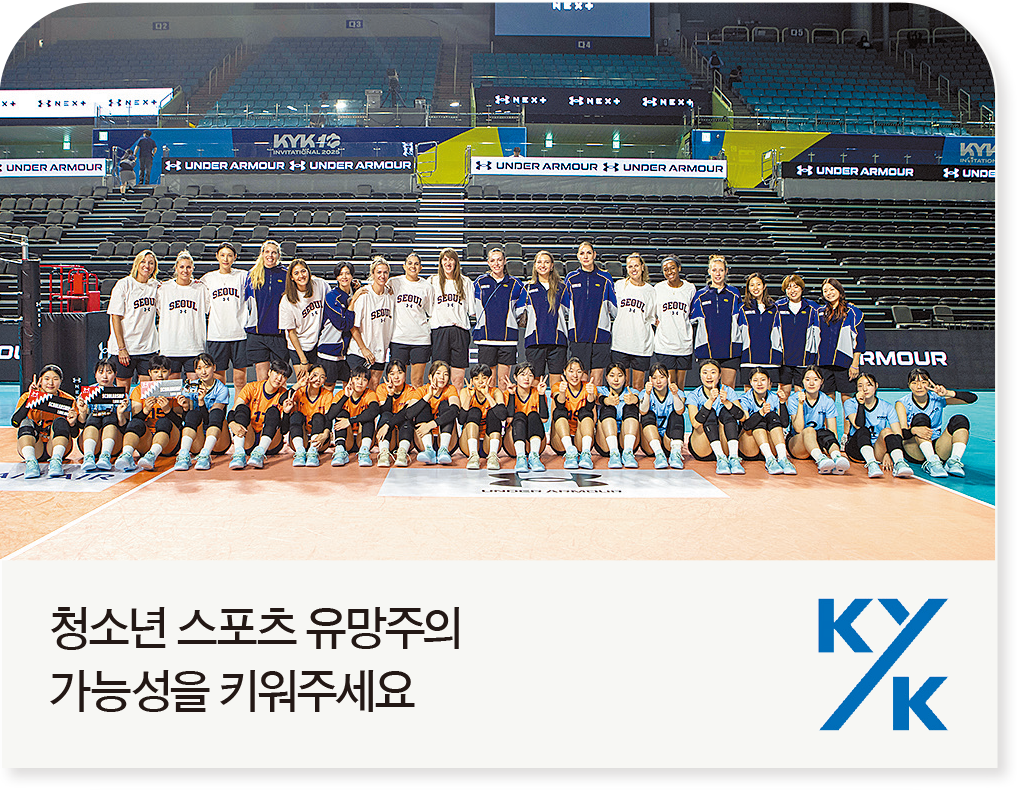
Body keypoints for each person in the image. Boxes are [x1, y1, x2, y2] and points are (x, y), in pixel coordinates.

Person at [894, 367, 977, 478]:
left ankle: (953, 461)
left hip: (937, 446)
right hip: (915, 449)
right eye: (914, 383)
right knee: (921, 418)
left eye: (923, 382)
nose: (919, 386)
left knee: (960, 420)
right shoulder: (902, 403)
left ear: (929, 384)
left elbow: (972, 398)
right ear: (909, 385)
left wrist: (947, 393)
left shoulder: (937, 398)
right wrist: (913, 430)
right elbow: (902, 433)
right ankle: (931, 462)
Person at [815, 276, 865, 442]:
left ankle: (846, 435)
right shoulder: (820, 312)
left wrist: (855, 364)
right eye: (825, 291)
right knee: (828, 400)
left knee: (847, 400)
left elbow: (859, 340)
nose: (829, 293)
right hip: (824, 362)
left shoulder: (853, 312)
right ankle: (831, 435)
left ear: (839, 290)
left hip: (845, 363)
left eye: (832, 289)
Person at [561, 241, 618, 386]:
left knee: (596, 379)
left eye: (588, 253)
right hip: (578, 335)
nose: (585, 256)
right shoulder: (571, 278)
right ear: (578, 256)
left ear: (594, 255)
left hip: (600, 335)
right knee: (581, 378)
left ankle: (595, 402)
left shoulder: (605, 278)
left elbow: (614, 308)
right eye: (582, 253)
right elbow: (564, 307)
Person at [115, 355, 184, 472]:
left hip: (169, 441)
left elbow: (179, 423)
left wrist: (168, 410)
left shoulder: (175, 390)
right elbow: (136, 419)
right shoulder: (139, 390)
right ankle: (127, 455)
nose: (160, 375)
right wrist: (146, 410)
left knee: (163, 422)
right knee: (135, 423)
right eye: (156, 372)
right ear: (150, 373)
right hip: (147, 439)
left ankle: (152, 455)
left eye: (164, 371)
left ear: (169, 372)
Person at [12, 364, 80, 479]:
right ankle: (31, 463)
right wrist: (31, 399)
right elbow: (15, 422)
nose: (50, 383)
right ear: (40, 380)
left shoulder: (68, 400)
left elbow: (74, 434)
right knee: (26, 423)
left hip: (56, 446)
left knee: (60, 421)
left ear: (61, 381)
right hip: (35, 446)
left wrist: (72, 423)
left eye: (55, 379)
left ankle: (56, 462)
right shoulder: (27, 396)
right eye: (47, 379)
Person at [226, 358, 294, 470]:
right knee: (241, 408)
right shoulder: (252, 387)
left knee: (273, 411)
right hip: (250, 437)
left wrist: (286, 413)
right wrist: (232, 423)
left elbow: (284, 430)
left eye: (284, 376)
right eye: (277, 373)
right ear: (269, 372)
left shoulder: (284, 396)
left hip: (271, 443)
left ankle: (260, 453)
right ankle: (239, 454)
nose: (279, 378)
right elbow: (234, 410)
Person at [106, 248, 159, 389]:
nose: (147, 266)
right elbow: (115, 318)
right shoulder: (124, 284)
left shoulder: (156, 286)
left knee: (148, 392)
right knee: (123, 390)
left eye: (151, 263)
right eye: (143, 262)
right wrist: (121, 348)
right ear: (137, 263)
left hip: (147, 348)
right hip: (126, 348)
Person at [690, 254, 744, 390]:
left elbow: (741, 320)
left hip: (731, 350)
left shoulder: (734, 293)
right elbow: (690, 319)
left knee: (728, 390)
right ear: (709, 271)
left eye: (721, 270)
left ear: (726, 271)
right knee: (710, 390)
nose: (718, 274)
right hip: (707, 350)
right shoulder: (700, 295)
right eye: (714, 270)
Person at [515, 249, 568, 390]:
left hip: (557, 341)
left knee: (556, 385)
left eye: (546, 262)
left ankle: (555, 406)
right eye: (539, 262)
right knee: (534, 383)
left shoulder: (562, 288)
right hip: (534, 341)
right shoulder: (527, 288)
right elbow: (518, 312)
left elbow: (570, 310)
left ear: (552, 266)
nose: (542, 265)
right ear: (535, 266)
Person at [844, 371, 913, 479]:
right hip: (856, 449)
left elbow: (898, 434)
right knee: (863, 430)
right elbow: (858, 425)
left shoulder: (887, 406)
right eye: (860, 386)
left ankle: (899, 463)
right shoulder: (850, 403)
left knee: (887, 431)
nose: (865, 389)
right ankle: (871, 464)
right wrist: (861, 404)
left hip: (876, 448)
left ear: (876, 386)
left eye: (869, 385)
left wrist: (888, 453)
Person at [474, 246, 525, 390]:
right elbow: (473, 309)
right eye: (492, 260)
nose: (496, 263)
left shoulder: (516, 284)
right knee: (488, 382)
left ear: (505, 261)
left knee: (504, 382)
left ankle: (503, 405)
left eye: (499, 260)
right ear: (488, 263)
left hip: (507, 339)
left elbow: (520, 310)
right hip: (486, 338)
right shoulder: (479, 282)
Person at [201, 241, 249, 393]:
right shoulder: (208, 278)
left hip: (239, 334)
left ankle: (238, 407)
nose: (225, 259)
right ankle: (220, 407)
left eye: (229, 255)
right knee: (218, 380)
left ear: (235, 257)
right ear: (217, 256)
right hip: (217, 334)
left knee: (240, 380)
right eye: (222, 255)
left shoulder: (243, 276)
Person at [786, 365, 850, 475]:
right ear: (802, 382)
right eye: (807, 379)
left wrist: (831, 448)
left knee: (826, 433)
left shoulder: (827, 401)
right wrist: (800, 404)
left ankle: (837, 458)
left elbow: (832, 431)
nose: (811, 383)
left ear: (821, 382)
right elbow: (798, 429)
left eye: (815, 380)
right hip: (797, 443)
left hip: (817, 441)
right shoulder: (794, 399)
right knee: (809, 430)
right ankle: (821, 459)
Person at [685, 358, 745, 475]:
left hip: (724, 442)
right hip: (703, 447)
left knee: (726, 411)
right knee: (709, 412)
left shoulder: (728, 391)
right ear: (700, 375)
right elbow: (695, 424)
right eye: (705, 372)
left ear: (719, 375)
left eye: (713, 372)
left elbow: (742, 417)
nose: (709, 376)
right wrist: (710, 401)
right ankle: (720, 458)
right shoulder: (694, 395)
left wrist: (727, 402)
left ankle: (734, 458)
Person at [175, 353, 231, 471]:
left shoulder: (222, 389)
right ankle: (184, 455)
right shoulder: (190, 387)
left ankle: (205, 454)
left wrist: (201, 403)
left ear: (214, 367)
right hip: (198, 438)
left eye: (207, 367)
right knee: (192, 414)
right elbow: (187, 419)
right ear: (195, 370)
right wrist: (185, 408)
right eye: (199, 368)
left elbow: (211, 419)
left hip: (218, 438)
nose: (203, 372)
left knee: (216, 412)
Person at [429, 247, 476, 390]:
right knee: (439, 378)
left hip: (459, 331)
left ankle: (457, 404)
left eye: (451, 259)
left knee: (458, 379)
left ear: (456, 262)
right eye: (445, 259)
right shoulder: (432, 281)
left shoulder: (465, 282)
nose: (448, 263)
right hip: (439, 331)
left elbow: (472, 311)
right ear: (440, 262)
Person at [157, 250, 208, 381]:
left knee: (195, 385)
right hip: (171, 346)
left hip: (194, 345)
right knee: (172, 386)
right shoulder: (164, 289)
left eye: (188, 267)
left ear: (193, 268)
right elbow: (158, 310)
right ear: (176, 268)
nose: (185, 270)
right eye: (181, 267)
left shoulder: (201, 288)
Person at [243, 239, 289, 382]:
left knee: (280, 378)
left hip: (279, 334)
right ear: (262, 253)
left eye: (274, 252)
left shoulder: (286, 274)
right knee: (262, 379)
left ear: (278, 255)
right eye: (267, 252)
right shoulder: (252, 274)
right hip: (258, 334)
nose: (270, 255)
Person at [348, 256, 396, 390]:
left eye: (385, 272)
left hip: (379, 351)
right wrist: (364, 349)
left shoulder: (390, 295)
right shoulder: (364, 295)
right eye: (379, 272)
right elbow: (353, 327)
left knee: (374, 386)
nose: (382, 275)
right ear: (372, 274)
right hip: (360, 351)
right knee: (357, 387)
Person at [736, 367, 795, 475]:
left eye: (763, 380)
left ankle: (782, 458)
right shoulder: (745, 398)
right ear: (750, 382)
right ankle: (770, 460)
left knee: (772, 415)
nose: (759, 383)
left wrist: (782, 403)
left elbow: (784, 423)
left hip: (770, 445)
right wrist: (760, 413)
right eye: (755, 380)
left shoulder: (774, 397)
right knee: (759, 421)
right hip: (750, 446)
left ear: (769, 381)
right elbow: (746, 425)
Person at [611, 252, 656, 390]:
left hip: (641, 343)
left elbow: (651, 316)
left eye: (636, 265)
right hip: (621, 342)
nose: (633, 269)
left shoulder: (650, 290)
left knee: (638, 385)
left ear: (642, 267)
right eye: (630, 266)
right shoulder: (619, 285)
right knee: (621, 384)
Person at [278, 258, 329, 380]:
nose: (301, 275)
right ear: (291, 277)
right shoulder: (287, 300)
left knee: (316, 382)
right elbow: (291, 332)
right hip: (298, 346)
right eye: (296, 273)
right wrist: (303, 360)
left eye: (303, 271)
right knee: (303, 382)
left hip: (317, 343)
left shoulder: (320, 285)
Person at [388, 252, 434, 387]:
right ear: (404, 266)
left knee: (417, 381)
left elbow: (430, 311)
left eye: (416, 264)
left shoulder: (427, 287)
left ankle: (417, 402)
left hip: (420, 339)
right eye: (410, 263)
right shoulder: (394, 282)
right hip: (399, 338)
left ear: (421, 268)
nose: (413, 266)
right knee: (397, 380)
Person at [77, 359, 130, 473]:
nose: (105, 376)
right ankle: (88, 457)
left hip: (114, 443)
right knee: (94, 417)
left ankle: (105, 456)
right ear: (95, 375)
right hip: (90, 440)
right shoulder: (87, 393)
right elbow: (81, 425)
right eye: (101, 372)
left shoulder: (122, 395)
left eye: (109, 372)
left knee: (109, 417)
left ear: (115, 374)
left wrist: (120, 414)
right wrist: (82, 412)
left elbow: (125, 428)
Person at [652, 255, 696, 391]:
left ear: (679, 268)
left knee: (680, 386)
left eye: (672, 268)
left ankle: (680, 405)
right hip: (665, 343)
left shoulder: (690, 288)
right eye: (665, 269)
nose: (669, 272)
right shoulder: (658, 288)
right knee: (670, 384)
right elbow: (652, 311)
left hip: (684, 342)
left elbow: (692, 313)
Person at [774, 273, 821, 400]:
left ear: (801, 288)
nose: (792, 290)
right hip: (784, 360)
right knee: (783, 394)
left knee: (801, 395)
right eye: (788, 287)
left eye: (795, 286)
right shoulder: (778, 307)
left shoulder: (813, 308)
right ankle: (784, 414)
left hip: (804, 359)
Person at [374, 359, 425, 468]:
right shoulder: (381, 388)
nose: (396, 377)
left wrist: (388, 425)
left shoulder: (411, 391)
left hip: (405, 434)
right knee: (386, 415)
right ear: (387, 376)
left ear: (405, 374)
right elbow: (384, 411)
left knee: (406, 419)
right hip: (389, 436)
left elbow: (406, 413)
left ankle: (402, 453)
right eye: (392, 373)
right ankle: (384, 453)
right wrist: (390, 395)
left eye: (400, 372)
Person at [550, 356, 598, 470]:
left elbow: (593, 416)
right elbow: (556, 410)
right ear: (565, 372)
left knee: (586, 412)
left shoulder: (589, 387)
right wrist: (562, 392)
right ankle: (570, 452)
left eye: (579, 371)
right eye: (571, 371)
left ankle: (585, 453)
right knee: (560, 411)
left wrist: (591, 395)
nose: (575, 375)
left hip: (580, 436)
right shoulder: (558, 386)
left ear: (583, 373)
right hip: (561, 439)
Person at [329, 365, 381, 467]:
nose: (360, 382)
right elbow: (330, 415)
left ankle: (364, 452)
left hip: (363, 438)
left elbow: (374, 411)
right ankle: (340, 451)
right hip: (346, 438)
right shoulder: (341, 394)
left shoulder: (369, 394)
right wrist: (345, 396)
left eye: (364, 380)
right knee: (342, 414)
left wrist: (350, 421)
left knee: (367, 415)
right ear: (351, 380)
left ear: (368, 383)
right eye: (357, 378)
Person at [411, 359, 461, 466]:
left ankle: (443, 449)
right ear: (430, 376)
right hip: (423, 439)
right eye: (438, 373)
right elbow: (409, 413)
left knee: (446, 406)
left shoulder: (450, 389)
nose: (442, 377)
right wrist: (428, 396)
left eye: (445, 374)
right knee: (422, 406)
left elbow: (455, 410)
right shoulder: (422, 390)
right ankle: (428, 449)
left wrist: (431, 425)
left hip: (446, 440)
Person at [458, 363, 507, 471]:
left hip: (488, 441)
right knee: (474, 411)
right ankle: (473, 455)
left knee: (493, 412)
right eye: (476, 379)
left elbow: (502, 416)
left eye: (484, 378)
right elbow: (461, 420)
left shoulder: (496, 392)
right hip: (468, 443)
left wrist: (487, 395)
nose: (480, 381)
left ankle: (493, 456)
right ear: (472, 381)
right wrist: (469, 397)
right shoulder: (465, 392)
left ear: (489, 379)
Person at [317, 261, 358, 390]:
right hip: (329, 349)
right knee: (329, 386)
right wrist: (351, 305)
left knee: (349, 385)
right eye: (341, 274)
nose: (344, 277)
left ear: (352, 276)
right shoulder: (331, 297)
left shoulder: (354, 292)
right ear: (336, 277)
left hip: (347, 351)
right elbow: (342, 324)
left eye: (347, 273)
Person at [638, 363, 686, 469]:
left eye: (662, 377)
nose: (658, 381)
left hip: (668, 441)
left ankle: (676, 454)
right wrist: (647, 394)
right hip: (651, 445)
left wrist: (675, 394)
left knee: (677, 415)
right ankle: (659, 455)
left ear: (668, 377)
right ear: (650, 379)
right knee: (647, 415)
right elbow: (642, 411)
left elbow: (680, 411)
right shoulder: (644, 393)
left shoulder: (677, 392)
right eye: (654, 378)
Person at [595, 362, 643, 469]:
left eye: (620, 375)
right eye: (612, 376)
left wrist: (634, 399)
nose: (616, 379)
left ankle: (628, 453)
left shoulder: (631, 392)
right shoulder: (600, 390)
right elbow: (597, 398)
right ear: (606, 377)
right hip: (605, 444)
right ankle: (614, 453)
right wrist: (606, 400)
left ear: (625, 377)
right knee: (608, 408)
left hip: (626, 441)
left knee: (631, 408)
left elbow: (637, 397)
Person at [287, 364, 335, 468]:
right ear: (308, 375)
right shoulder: (300, 391)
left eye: (322, 377)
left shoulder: (327, 395)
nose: (318, 379)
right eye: (315, 375)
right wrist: (299, 384)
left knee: (318, 416)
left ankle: (313, 452)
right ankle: (300, 453)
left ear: (325, 379)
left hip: (319, 440)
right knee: (296, 415)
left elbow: (329, 418)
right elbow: (284, 400)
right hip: (300, 437)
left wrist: (325, 434)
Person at [503, 362, 548, 472]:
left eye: (530, 375)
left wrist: (541, 395)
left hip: (535, 442)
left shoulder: (537, 392)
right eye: (522, 375)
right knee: (519, 416)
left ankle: (534, 456)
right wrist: (512, 395)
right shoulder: (507, 394)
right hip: (513, 442)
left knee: (533, 415)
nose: (526, 378)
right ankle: (521, 457)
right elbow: (509, 419)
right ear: (515, 377)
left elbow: (544, 419)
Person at [738, 272, 781, 386]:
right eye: (752, 285)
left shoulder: (774, 308)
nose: (755, 288)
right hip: (749, 358)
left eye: (758, 284)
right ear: (748, 288)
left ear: (764, 286)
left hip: (770, 359)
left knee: (768, 393)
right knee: (748, 392)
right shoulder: (742, 308)